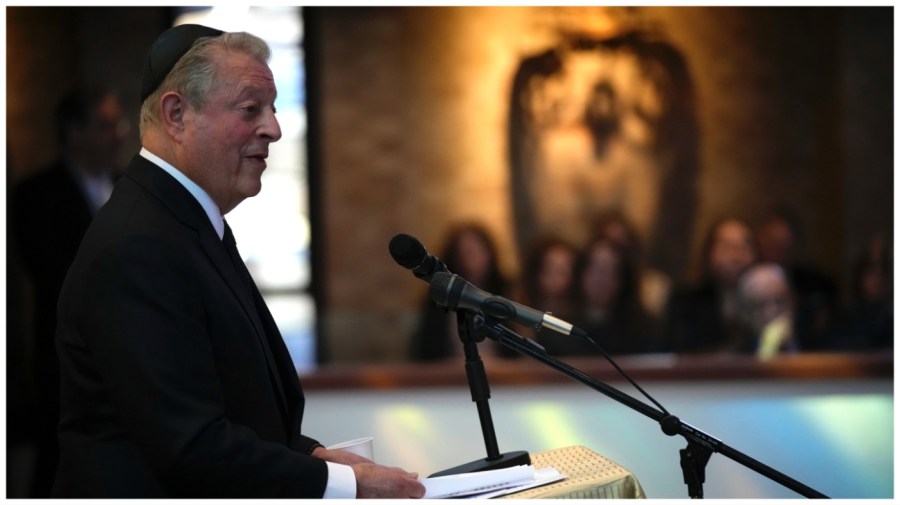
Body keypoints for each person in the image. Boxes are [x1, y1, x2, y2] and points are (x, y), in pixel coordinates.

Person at [53, 24, 425, 498]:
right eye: (251, 109)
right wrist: (344, 484)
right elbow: (191, 446)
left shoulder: (182, 220)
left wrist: (311, 455)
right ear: (176, 114)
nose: (274, 128)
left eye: (271, 108)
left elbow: (232, 407)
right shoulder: (138, 245)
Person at [10, 86, 126, 497]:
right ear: (73, 133)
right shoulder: (35, 195)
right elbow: (51, 272)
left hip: (127, 355)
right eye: (105, 126)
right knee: (61, 462)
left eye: (118, 124)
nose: (119, 134)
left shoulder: (129, 186)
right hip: (66, 354)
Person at [409, 223, 512, 360]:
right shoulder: (438, 301)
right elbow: (426, 351)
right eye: (464, 253)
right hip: (453, 376)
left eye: (475, 252)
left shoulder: (508, 295)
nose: (470, 260)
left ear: (490, 254)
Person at [662, 217, 758, 354]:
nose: (737, 256)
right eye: (728, 247)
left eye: (745, 247)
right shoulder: (686, 301)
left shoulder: (768, 300)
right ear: (709, 253)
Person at [754, 207, 838, 350]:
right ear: (760, 243)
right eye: (773, 243)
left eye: (783, 244)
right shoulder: (750, 282)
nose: (778, 251)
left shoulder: (819, 284)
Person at [564, 236, 660, 356]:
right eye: (595, 268)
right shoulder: (559, 327)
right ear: (580, 273)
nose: (602, 278)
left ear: (623, 279)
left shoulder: (645, 329)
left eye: (611, 270)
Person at [736, 263, 798, 359]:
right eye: (760, 306)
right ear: (746, 316)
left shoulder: (818, 339)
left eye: (780, 302)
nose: (772, 312)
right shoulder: (738, 357)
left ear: (793, 301)